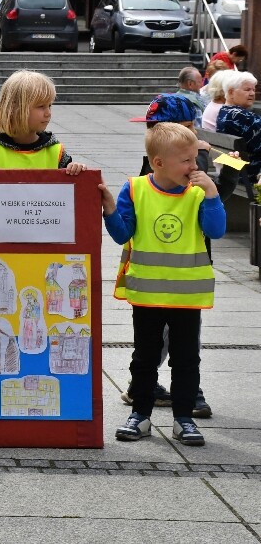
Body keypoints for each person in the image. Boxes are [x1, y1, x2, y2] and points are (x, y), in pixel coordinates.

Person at [100, 122, 225, 446]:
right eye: (186, 160)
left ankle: (183, 418)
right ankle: (140, 414)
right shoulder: (136, 188)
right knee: (144, 357)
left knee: (186, 360)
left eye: (195, 159)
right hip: (148, 294)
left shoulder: (198, 192)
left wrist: (212, 193)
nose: (194, 166)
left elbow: (216, 230)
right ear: (158, 163)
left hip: (186, 295)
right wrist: (110, 207)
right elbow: (122, 234)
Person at [124, 95, 214, 417]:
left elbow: (212, 215)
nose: (194, 133)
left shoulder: (183, 158)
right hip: (163, 272)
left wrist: (219, 182)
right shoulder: (173, 166)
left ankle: (186, 395)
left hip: (187, 271)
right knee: (161, 342)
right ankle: (160, 392)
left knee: (184, 344)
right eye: (188, 126)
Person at [0, 70, 85, 174]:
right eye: (41, 106)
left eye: (50, 105)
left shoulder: (57, 152)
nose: (48, 113)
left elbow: (72, 198)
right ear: (15, 108)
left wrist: (77, 171)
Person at [215, 70, 260, 189]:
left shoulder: (224, 112)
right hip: (251, 176)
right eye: (247, 90)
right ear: (231, 92)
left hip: (236, 174)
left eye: (253, 90)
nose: (252, 93)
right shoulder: (243, 117)